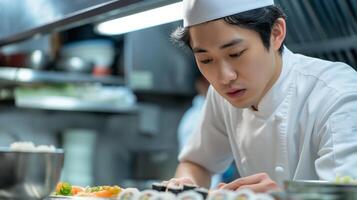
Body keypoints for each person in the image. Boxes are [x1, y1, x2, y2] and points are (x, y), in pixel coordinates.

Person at [166, 0, 357, 193]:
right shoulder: (221, 96)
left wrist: (282, 196)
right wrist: (184, 184)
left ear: (276, 33)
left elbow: (347, 193)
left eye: (236, 53)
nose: (224, 77)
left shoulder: (336, 93)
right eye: (206, 60)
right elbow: (198, 164)